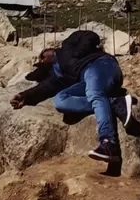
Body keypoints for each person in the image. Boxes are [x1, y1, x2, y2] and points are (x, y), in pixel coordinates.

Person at [9, 30, 132, 163]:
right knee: (60, 101)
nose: (43, 57)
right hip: (87, 81)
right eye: (42, 59)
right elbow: (43, 88)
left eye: (44, 54)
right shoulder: (58, 77)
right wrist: (25, 96)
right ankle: (113, 102)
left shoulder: (67, 46)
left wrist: (77, 55)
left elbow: (91, 36)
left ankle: (109, 144)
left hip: (99, 65)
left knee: (94, 92)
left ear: (51, 51)